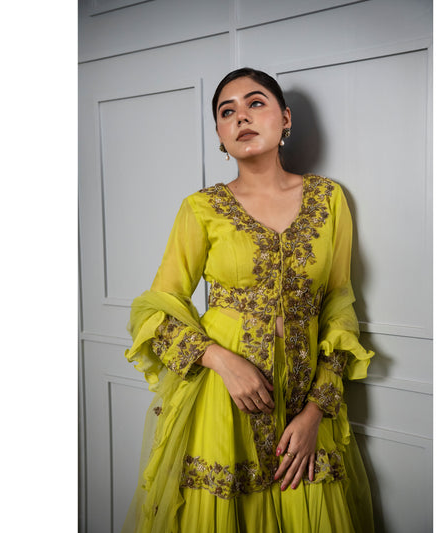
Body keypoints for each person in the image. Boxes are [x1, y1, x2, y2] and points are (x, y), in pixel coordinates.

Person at [122, 67, 375, 533]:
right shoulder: (201, 208)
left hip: (304, 402)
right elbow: (155, 309)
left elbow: (339, 306)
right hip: (224, 402)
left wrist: (315, 412)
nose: (241, 117)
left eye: (255, 103)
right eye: (227, 112)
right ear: (220, 135)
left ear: (285, 118)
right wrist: (220, 360)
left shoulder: (328, 199)